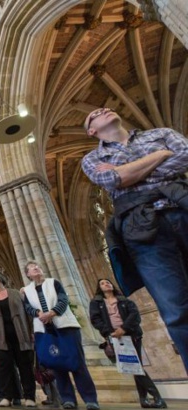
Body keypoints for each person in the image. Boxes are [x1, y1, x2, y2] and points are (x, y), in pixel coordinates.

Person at [81, 107, 188, 373]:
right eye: (94, 115)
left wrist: (129, 172)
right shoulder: (94, 157)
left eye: (104, 109)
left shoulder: (161, 134)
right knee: (176, 310)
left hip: (181, 209)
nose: (103, 110)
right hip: (142, 230)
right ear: (91, 131)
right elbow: (112, 178)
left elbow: (185, 156)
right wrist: (162, 156)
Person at [22, 262, 100, 410]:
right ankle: (68, 399)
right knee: (56, 364)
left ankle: (90, 399)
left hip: (65, 326)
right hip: (43, 329)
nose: (37, 268)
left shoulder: (54, 283)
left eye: (37, 266)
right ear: (28, 274)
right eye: (33, 268)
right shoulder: (27, 290)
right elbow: (28, 307)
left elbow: (63, 299)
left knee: (77, 363)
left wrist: (51, 313)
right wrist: (40, 314)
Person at [89, 278, 167, 409]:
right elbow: (95, 319)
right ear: (99, 288)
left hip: (131, 334)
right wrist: (109, 332)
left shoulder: (124, 300)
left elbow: (134, 315)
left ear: (112, 285)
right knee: (136, 367)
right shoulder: (97, 303)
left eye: (107, 282)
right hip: (115, 337)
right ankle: (145, 399)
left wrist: (123, 328)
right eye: (102, 283)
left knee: (137, 367)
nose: (106, 284)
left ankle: (156, 398)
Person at [0, 272, 37, 408]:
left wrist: (31, 331)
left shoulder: (16, 293)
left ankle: (29, 397)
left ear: (1, 279)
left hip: (20, 333)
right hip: (0, 336)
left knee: (25, 366)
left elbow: (27, 312)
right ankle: (7, 396)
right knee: (4, 367)